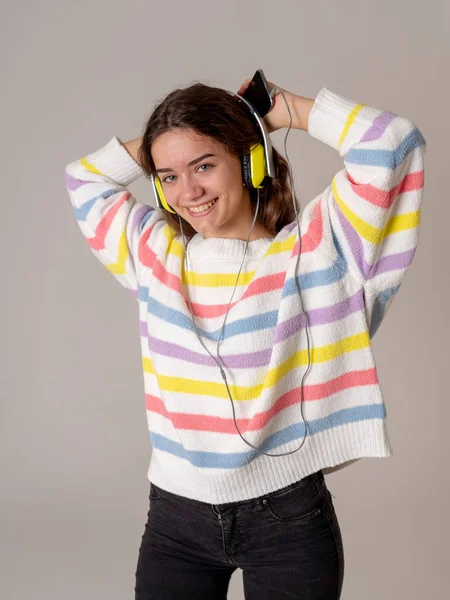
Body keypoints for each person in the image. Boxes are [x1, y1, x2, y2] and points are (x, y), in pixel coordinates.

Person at [64, 75, 426, 599]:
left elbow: (392, 140)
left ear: (250, 161)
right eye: (167, 176)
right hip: (175, 520)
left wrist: (278, 112)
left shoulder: (320, 249)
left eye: (204, 166)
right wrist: (172, 132)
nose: (187, 192)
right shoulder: (156, 256)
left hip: (286, 519)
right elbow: (83, 181)